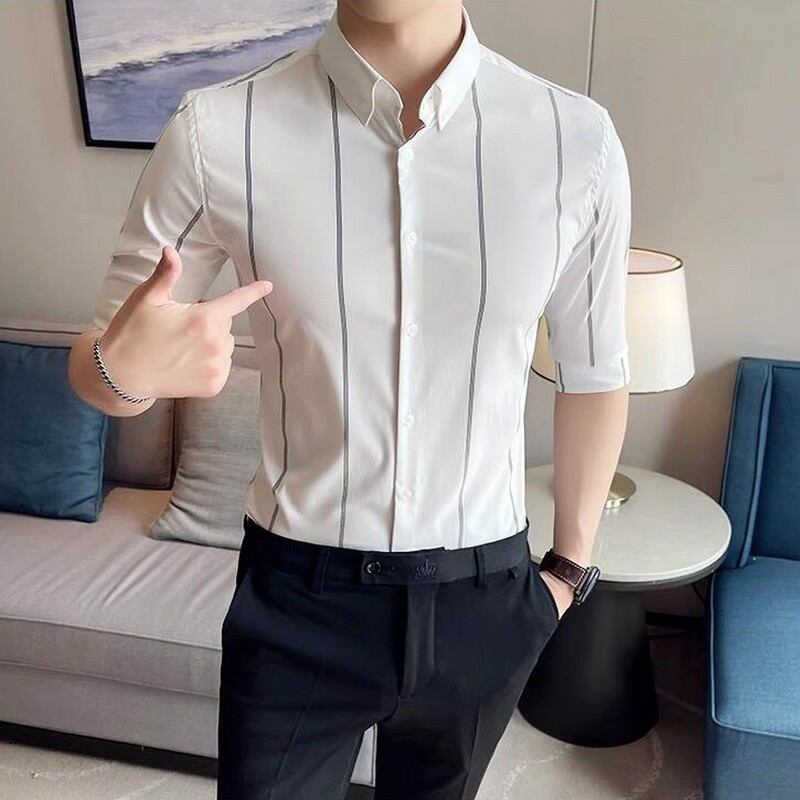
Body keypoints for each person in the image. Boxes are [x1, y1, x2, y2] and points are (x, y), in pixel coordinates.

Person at [68, 1, 632, 797]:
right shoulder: (217, 132)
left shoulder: (576, 141)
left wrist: (567, 573)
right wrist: (126, 370)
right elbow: (98, 365)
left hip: (485, 597)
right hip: (297, 600)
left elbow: (596, 372)